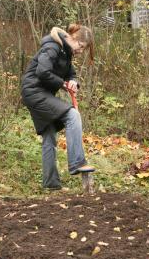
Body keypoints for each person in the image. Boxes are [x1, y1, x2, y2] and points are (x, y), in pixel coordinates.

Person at [21, 24, 95, 190]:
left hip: (43, 93)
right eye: (81, 47)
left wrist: (74, 82)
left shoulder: (66, 53)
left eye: (83, 49)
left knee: (49, 136)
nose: (80, 51)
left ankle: (51, 184)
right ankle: (77, 162)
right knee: (72, 115)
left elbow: (70, 73)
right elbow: (42, 72)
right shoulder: (52, 47)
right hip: (34, 92)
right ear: (73, 38)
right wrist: (63, 84)